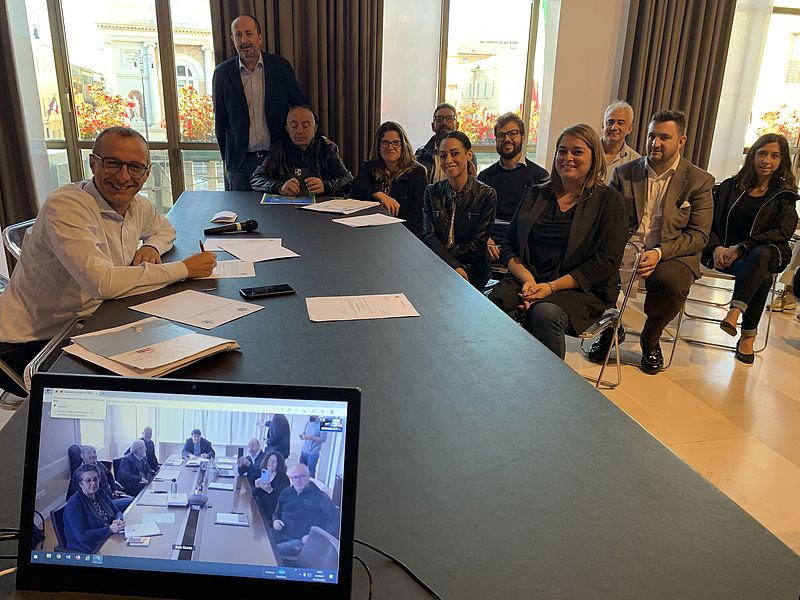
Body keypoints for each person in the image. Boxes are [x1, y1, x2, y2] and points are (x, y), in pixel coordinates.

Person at [0, 127, 216, 397]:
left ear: (147, 172)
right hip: (31, 344)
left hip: (88, 322)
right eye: (112, 163)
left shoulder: (137, 205)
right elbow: (102, 284)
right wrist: (184, 269)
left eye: (134, 167)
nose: (123, 176)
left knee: (182, 356)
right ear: (93, 163)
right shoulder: (67, 206)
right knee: (144, 386)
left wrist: (151, 246)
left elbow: (165, 230)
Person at [489, 124, 628, 359]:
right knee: (492, 306)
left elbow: (605, 262)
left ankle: (550, 381)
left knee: (543, 314)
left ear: (594, 157)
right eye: (562, 151)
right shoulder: (535, 195)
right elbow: (509, 246)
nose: (567, 158)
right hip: (530, 279)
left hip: (581, 288)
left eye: (577, 152)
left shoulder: (610, 202)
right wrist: (530, 281)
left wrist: (550, 288)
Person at [601, 110, 713, 374]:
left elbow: (699, 235)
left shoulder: (699, 180)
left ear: (681, 141)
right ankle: (610, 329)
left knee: (672, 283)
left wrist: (659, 252)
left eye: (664, 137)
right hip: (627, 245)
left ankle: (651, 338)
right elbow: (607, 220)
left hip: (671, 252)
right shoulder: (625, 173)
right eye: (652, 136)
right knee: (597, 269)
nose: (655, 143)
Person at [702, 133, 798, 363]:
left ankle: (735, 311)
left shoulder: (784, 195)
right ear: (753, 155)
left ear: (782, 161)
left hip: (769, 252)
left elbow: (782, 232)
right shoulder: (729, 187)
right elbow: (707, 221)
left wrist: (742, 246)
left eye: (774, 156)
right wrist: (716, 248)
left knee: (761, 254)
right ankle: (747, 337)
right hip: (726, 256)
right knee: (762, 277)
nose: (767, 160)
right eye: (762, 154)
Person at [213, 14, 307, 190]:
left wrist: (319, 138)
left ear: (260, 38)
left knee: (280, 207)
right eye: (238, 35)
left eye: (249, 33)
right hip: (240, 164)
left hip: (277, 159)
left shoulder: (281, 67)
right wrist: (226, 160)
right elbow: (220, 122)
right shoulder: (222, 74)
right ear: (233, 40)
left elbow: (300, 106)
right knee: (241, 208)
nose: (244, 40)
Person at [422, 131, 497, 290]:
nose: (448, 160)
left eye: (455, 153)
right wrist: (452, 264)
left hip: (471, 268)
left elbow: (477, 245)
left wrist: (445, 257)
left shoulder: (487, 194)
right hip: (439, 264)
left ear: (469, 155)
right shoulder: (432, 192)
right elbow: (429, 236)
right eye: (443, 156)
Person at [477, 112, 548, 263]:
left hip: (524, 242)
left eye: (512, 134)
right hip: (490, 242)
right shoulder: (484, 177)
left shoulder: (540, 177)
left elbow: (543, 221)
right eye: (501, 135)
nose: (507, 139)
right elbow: (476, 217)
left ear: (523, 137)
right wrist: (486, 239)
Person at [250, 105, 353, 196]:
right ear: (287, 129)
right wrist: (280, 187)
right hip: (286, 207)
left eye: (305, 126)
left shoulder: (327, 149)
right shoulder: (278, 150)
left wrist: (326, 186)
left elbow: (348, 180)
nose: (299, 131)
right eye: (294, 126)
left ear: (315, 129)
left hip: (321, 206)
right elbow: (256, 179)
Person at [351, 121, 428, 238]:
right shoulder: (370, 167)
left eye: (396, 143)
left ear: (403, 146)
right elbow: (356, 188)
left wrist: (401, 236)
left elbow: (418, 216)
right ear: (378, 147)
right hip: (371, 231)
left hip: (404, 234)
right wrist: (378, 194)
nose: (390, 147)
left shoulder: (417, 173)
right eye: (385, 143)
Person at [272, 463, 338, 559]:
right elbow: (276, 513)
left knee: (273, 550)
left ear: (309, 477)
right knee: (262, 542)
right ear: (291, 478)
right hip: (281, 533)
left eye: (302, 476)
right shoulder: (286, 492)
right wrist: (275, 521)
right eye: (295, 477)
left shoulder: (320, 496)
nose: (298, 480)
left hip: (301, 541)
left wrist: (314, 537)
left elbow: (336, 521)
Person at [64, 464, 125, 553]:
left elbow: (116, 511)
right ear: (81, 484)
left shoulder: (100, 492)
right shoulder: (74, 504)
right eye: (88, 480)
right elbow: (82, 536)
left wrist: (118, 519)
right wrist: (110, 529)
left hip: (107, 537)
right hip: (88, 548)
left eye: (95, 479)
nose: (93, 483)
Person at [415, 103, 476, 183]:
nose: (444, 123)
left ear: (457, 125)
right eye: (439, 119)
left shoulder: (466, 155)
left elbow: (471, 184)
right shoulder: (421, 156)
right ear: (433, 126)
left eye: (449, 118)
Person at [69, 445, 131, 512]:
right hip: (101, 504)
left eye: (94, 452)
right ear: (82, 456)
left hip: (111, 497)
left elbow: (109, 475)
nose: (93, 455)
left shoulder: (99, 464)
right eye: (89, 453)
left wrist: (114, 489)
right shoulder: (78, 473)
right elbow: (80, 495)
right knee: (131, 503)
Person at [601, 100, 641, 184]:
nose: (614, 128)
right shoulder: (587, 152)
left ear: (629, 129)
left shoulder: (636, 162)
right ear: (603, 126)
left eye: (620, 123)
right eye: (610, 122)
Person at [253, 450, 290, 523]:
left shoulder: (284, 479)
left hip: (271, 515)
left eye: (274, 461)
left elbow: (279, 501)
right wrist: (257, 487)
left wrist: (269, 490)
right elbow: (254, 494)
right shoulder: (264, 473)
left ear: (279, 464)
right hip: (259, 510)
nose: (271, 463)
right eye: (270, 460)